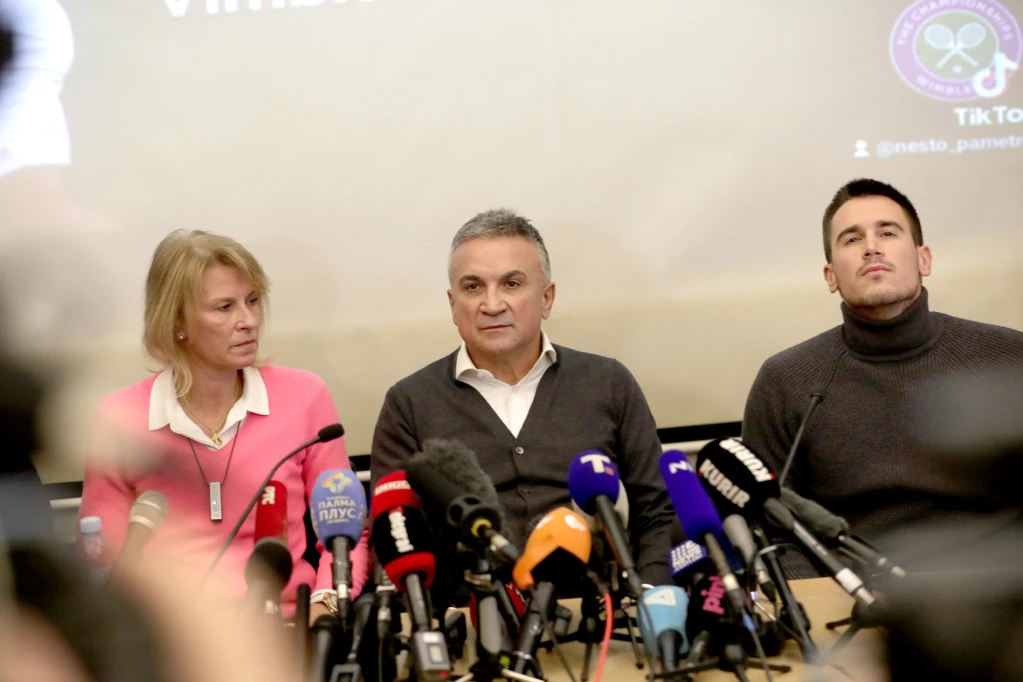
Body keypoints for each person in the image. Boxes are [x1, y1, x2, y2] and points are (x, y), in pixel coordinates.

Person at [371, 209, 674, 585]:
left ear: (547, 298)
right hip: (473, 611)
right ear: (453, 305)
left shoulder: (608, 382)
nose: (492, 304)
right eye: (473, 287)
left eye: (511, 284)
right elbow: (393, 533)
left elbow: (656, 512)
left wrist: (651, 595)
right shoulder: (409, 403)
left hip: (602, 606)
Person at [78, 230, 369, 615]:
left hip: (286, 622)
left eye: (253, 301)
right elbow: (103, 558)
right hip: (173, 632)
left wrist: (325, 606)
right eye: (224, 308)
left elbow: (349, 536)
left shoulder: (305, 396)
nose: (248, 320)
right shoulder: (120, 418)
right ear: (177, 320)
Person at [742, 178, 1023, 576]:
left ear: (924, 259)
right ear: (830, 276)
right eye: (852, 239)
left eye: (888, 233)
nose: (871, 247)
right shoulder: (785, 380)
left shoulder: (1008, 357)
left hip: (996, 592)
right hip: (852, 597)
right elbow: (771, 533)